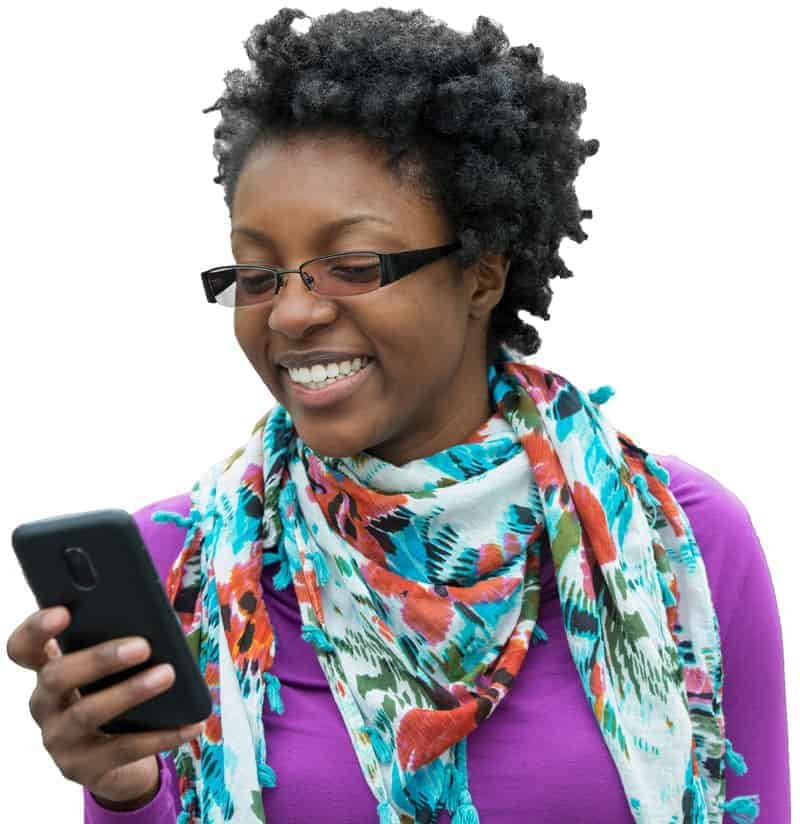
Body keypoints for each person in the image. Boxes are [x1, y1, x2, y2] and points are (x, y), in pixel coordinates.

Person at [5, 8, 790, 823]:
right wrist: (123, 788)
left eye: (349, 265)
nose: (290, 315)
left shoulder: (679, 541)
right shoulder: (182, 569)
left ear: (482, 276)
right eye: (257, 272)